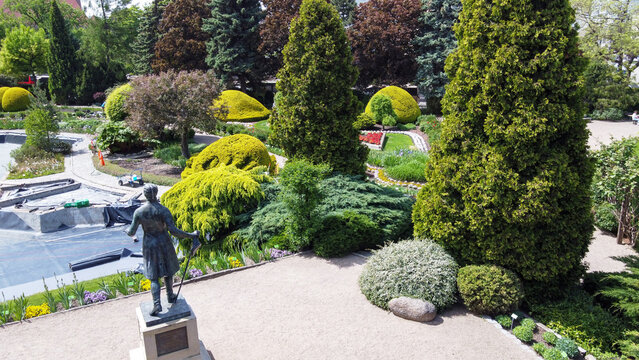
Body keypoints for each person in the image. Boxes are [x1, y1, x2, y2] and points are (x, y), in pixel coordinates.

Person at [127, 184, 199, 316]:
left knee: (154, 277)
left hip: (150, 245)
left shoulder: (139, 212)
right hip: (164, 242)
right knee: (168, 271)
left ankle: (157, 304)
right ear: (156, 193)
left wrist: (127, 231)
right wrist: (191, 235)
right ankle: (170, 295)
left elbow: (131, 231)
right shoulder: (164, 210)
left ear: (145, 195)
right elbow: (174, 231)